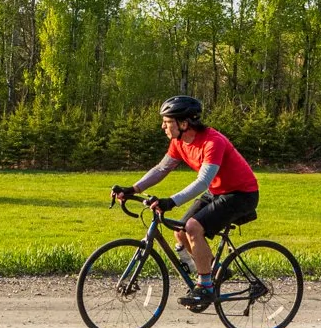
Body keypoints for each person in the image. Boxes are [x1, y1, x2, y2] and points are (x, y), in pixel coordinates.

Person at [111, 96, 259, 310]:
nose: (163, 126)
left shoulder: (212, 142)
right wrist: (133, 189)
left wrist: (171, 202)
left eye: (167, 121)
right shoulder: (179, 142)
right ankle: (217, 270)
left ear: (183, 123)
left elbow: (202, 182)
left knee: (193, 227)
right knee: (180, 231)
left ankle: (205, 287)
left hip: (242, 194)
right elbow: (162, 169)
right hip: (217, 191)